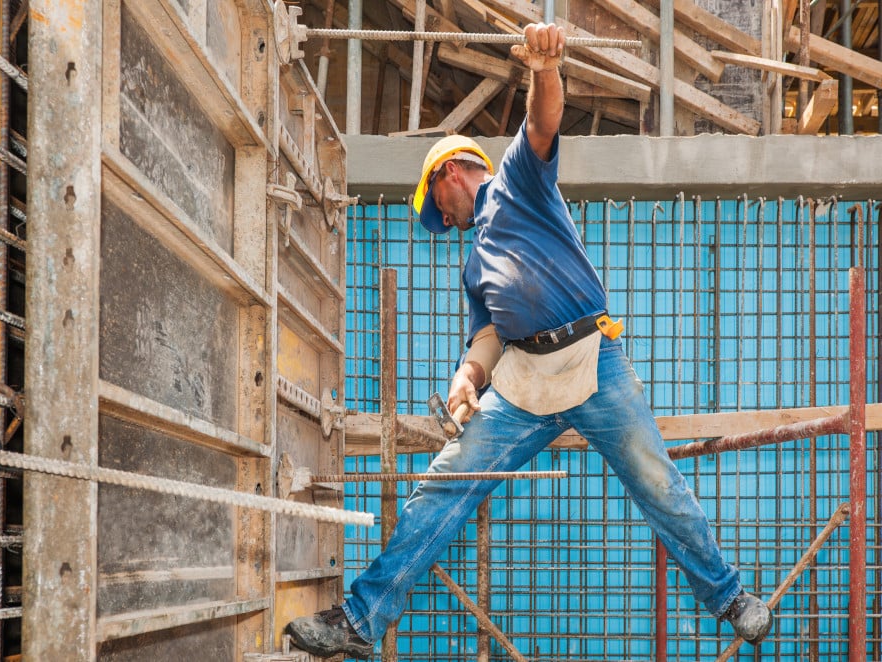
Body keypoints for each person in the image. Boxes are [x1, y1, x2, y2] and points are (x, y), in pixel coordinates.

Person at [285, 22, 773, 659]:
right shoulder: (472, 265)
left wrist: (546, 68)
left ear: (452, 173)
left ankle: (729, 597)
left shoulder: (516, 183)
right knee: (446, 485)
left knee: (656, 478)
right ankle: (359, 621)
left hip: (591, 361)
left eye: (440, 205)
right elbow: (488, 336)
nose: (445, 220)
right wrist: (466, 381)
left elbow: (543, 120)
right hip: (523, 382)